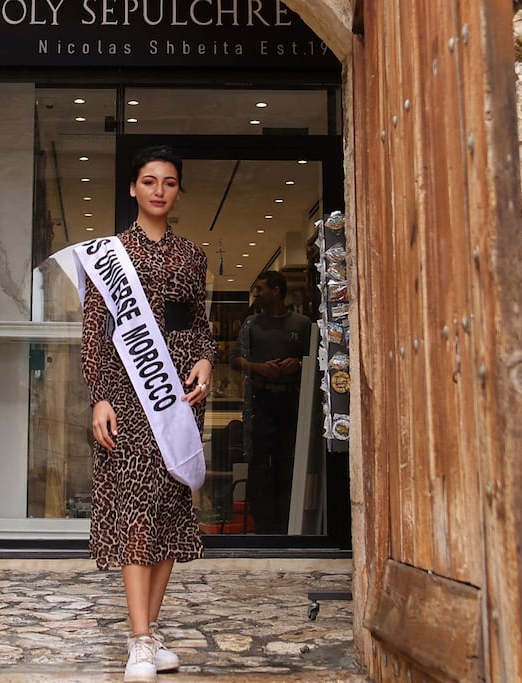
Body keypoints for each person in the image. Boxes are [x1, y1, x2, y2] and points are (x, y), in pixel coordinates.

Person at [80, 146, 215, 682]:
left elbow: (199, 325)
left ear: (178, 191)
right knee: (136, 511)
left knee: (167, 514)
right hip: (127, 397)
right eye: (149, 180)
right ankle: (138, 640)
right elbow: (95, 333)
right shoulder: (108, 255)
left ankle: (150, 633)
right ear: (133, 188)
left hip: (177, 397)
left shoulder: (191, 257)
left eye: (170, 182)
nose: (159, 189)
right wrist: (100, 394)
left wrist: (205, 359)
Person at [230, 271, 313, 534]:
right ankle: (263, 528)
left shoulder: (301, 324)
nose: (256, 294)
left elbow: (317, 361)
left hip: (291, 401)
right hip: (260, 402)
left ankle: (288, 524)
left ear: (276, 290)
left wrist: (298, 363)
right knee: (258, 464)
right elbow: (235, 360)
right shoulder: (251, 324)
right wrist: (258, 368)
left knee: (287, 462)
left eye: (260, 289)